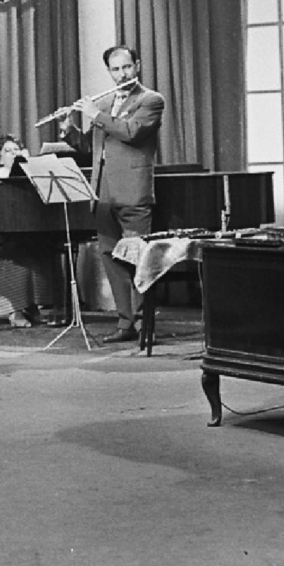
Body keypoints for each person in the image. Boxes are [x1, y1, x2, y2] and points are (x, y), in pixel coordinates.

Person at [63, 44, 165, 344]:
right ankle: (125, 323)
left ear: (137, 66)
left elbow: (131, 133)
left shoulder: (151, 100)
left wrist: (95, 115)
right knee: (110, 258)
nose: (122, 74)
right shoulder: (105, 103)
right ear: (109, 71)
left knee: (136, 259)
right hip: (102, 194)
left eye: (127, 68)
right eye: (115, 69)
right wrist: (68, 130)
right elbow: (92, 149)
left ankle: (144, 323)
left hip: (133, 193)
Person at [0, 132, 60, 329]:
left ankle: (32, 306)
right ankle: (15, 309)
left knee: (42, 250)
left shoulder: (30, 171)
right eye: (7, 151)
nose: (12, 154)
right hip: (9, 230)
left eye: (16, 150)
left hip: (29, 227)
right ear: (0, 157)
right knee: (17, 253)